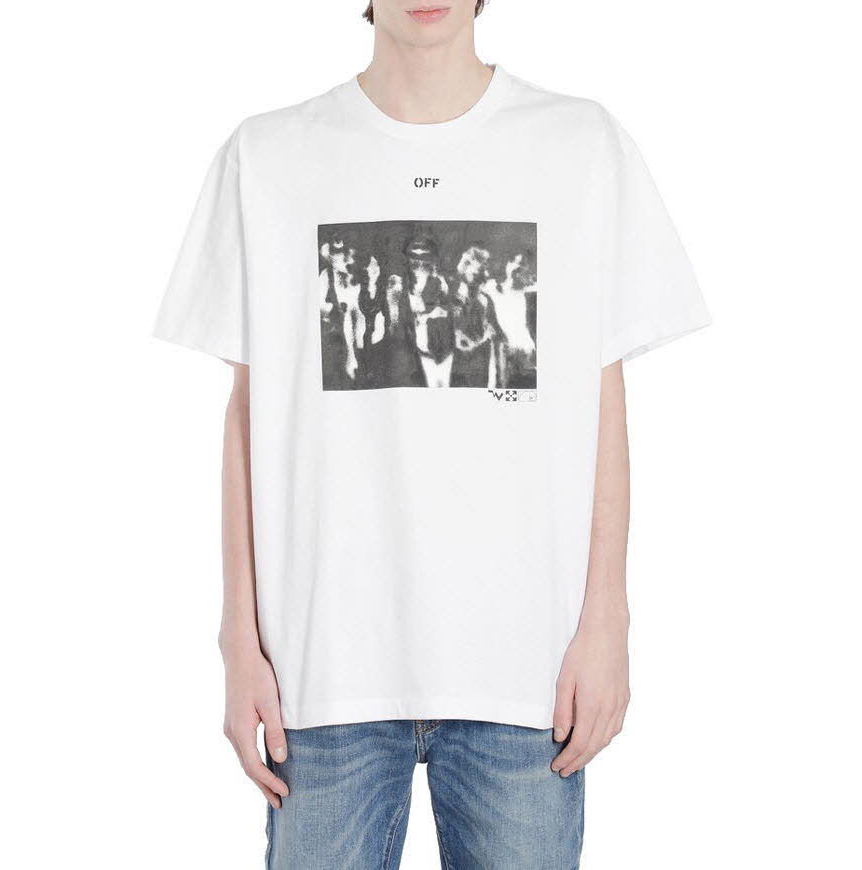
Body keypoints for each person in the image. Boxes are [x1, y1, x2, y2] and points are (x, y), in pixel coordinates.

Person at [153, 1, 711, 866]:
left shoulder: (581, 146)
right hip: (322, 670)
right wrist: (239, 639)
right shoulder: (267, 156)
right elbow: (245, 418)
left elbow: (602, 397)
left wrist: (608, 620)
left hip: (524, 671)